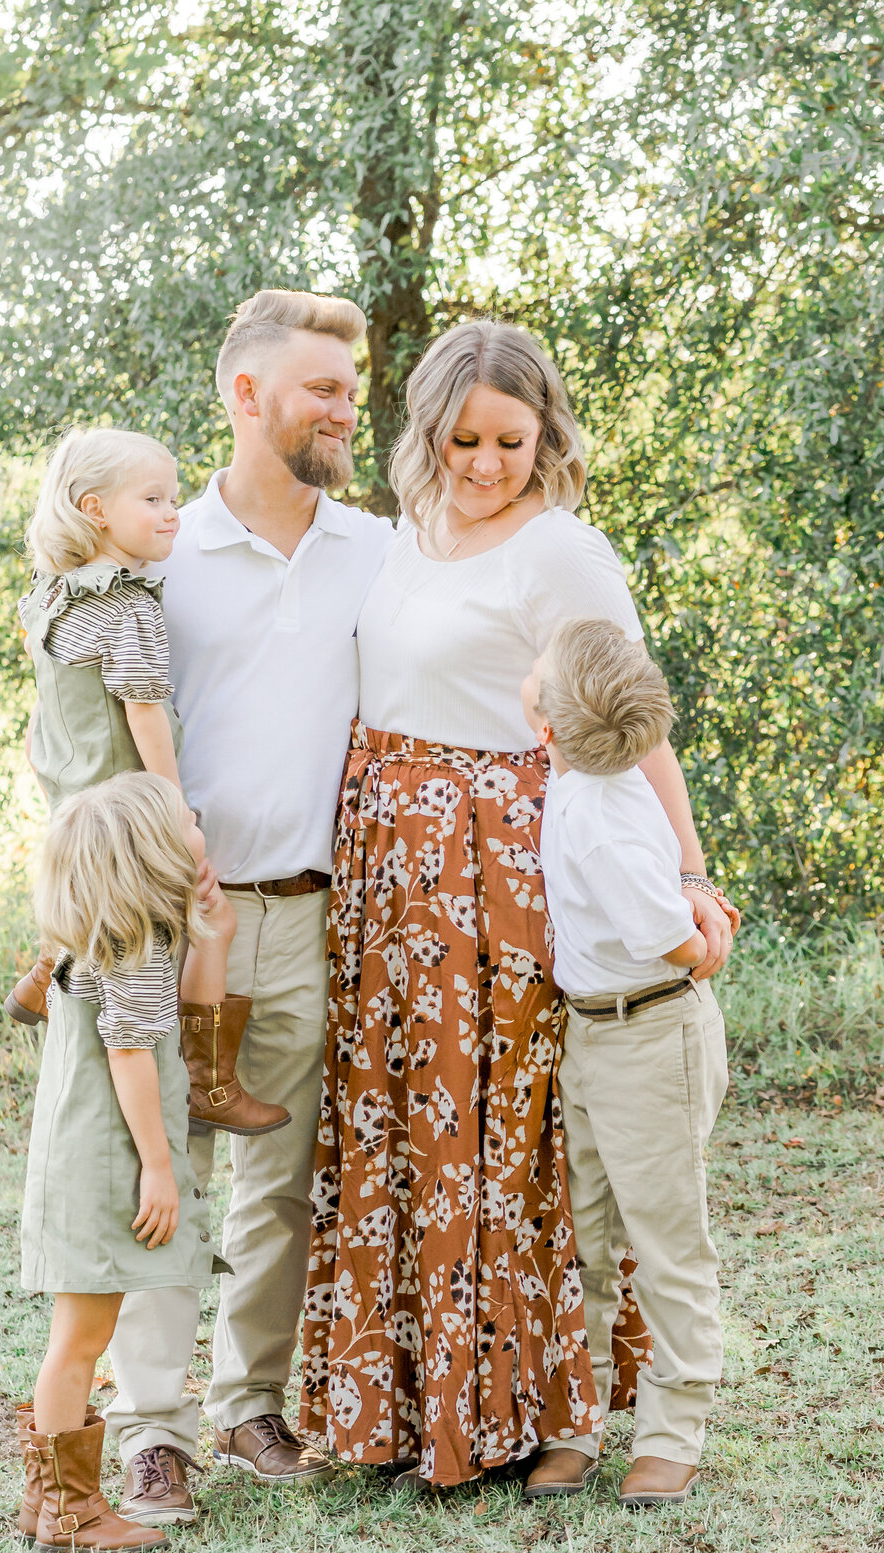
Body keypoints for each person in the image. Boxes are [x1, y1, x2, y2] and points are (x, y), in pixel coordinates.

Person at [300, 319, 737, 1491]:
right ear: (427, 428)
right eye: (463, 437)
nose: (485, 462)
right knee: (412, 1132)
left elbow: (632, 720)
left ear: (546, 434)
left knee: (511, 1140)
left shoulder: (563, 552)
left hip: (505, 875)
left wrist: (689, 871)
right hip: (391, 875)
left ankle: (548, 1410)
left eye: (511, 438)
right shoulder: (397, 539)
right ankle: (410, 1403)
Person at [103, 290, 395, 1528]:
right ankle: (151, 1428)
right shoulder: (160, 560)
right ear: (246, 395)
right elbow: (86, 727)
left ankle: (248, 1399)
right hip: (177, 919)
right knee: (161, 1167)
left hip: (319, 907)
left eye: (349, 386)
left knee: (281, 1175)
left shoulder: (377, 550)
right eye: (321, 386)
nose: (345, 407)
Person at [9, 426, 288, 1138]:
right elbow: (144, 711)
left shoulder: (50, 593)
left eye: (173, 495)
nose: (174, 511)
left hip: (74, 807)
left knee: (116, 926)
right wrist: (178, 812)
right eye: (154, 498)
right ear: (94, 507)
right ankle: (209, 1082)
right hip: (130, 817)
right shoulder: (128, 606)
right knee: (203, 923)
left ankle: (48, 967)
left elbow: (52, 702)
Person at [521, 618, 728, 1507]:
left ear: (548, 729)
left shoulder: (600, 810)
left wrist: (705, 936)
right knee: (586, 1242)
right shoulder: (587, 775)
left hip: (652, 1038)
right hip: (590, 1034)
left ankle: (673, 1432)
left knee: (667, 1241)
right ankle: (576, 1425)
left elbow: (666, 938)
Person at [17, 772, 224, 1551]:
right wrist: (160, 1165)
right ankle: (72, 1512)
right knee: (80, 1338)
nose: (200, 821)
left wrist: (215, 930)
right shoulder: (134, 947)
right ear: (155, 852)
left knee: (77, 1337)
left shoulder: (102, 932)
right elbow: (132, 1052)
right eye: (189, 819)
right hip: (107, 1163)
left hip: (79, 1160)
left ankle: (49, 1502)